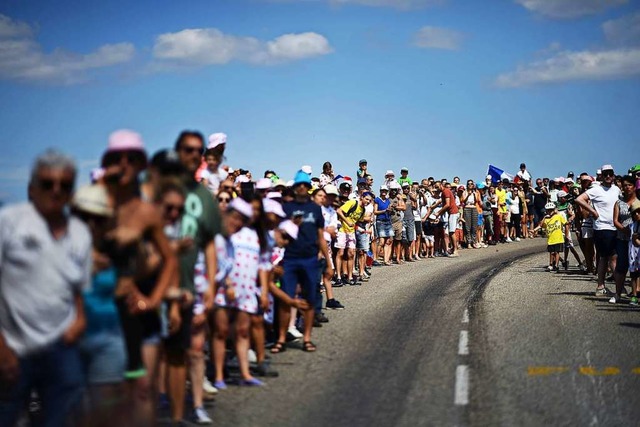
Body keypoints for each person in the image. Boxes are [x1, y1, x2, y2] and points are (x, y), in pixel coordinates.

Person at [0, 150, 91, 426]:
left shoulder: (78, 232)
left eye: (64, 185)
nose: (56, 191)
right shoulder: (8, 224)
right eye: (47, 184)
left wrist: (79, 320)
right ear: (31, 189)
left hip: (60, 347)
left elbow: (76, 287)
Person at [170, 130, 221, 424]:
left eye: (197, 150)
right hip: (164, 280)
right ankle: (168, 405)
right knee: (169, 352)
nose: (192, 155)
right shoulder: (162, 188)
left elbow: (211, 243)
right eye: (186, 150)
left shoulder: (204, 196)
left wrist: (212, 284)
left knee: (195, 347)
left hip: (197, 277)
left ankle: (197, 404)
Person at [72, 185, 128, 427]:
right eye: (84, 217)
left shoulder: (116, 249)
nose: (91, 223)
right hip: (68, 341)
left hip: (108, 340)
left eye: (98, 218)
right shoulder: (58, 247)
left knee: (103, 414)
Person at [273, 170, 332, 354]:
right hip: (290, 258)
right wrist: (291, 227)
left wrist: (329, 263)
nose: (301, 188)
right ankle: (281, 339)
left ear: (308, 188)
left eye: (305, 185)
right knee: (286, 300)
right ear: (294, 187)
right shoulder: (286, 208)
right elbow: (278, 235)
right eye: (298, 185)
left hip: (310, 259)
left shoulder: (315, 208)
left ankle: (307, 339)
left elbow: (320, 236)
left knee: (309, 300)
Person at [576, 164, 621, 296]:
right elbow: (579, 199)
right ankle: (619, 288)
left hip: (614, 227)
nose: (608, 176)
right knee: (613, 257)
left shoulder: (616, 189)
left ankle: (600, 286)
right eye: (605, 174)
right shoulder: (596, 190)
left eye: (610, 174)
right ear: (601, 175)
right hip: (602, 227)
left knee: (603, 258)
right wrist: (592, 211)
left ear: (613, 175)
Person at [610, 176, 638, 304]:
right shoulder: (619, 202)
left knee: (636, 267)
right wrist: (626, 230)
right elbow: (615, 220)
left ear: (634, 186)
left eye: (629, 185)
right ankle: (618, 293)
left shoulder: (638, 202)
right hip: (622, 237)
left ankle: (635, 294)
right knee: (621, 266)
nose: (627, 187)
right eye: (625, 185)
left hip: (637, 239)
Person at [534, 202, 568, 271]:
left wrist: (566, 234)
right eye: (548, 210)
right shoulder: (546, 219)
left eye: (551, 210)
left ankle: (555, 265)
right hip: (551, 238)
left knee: (556, 252)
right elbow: (541, 225)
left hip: (558, 237)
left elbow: (566, 223)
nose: (550, 212)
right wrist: (534, 230)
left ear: (554, 210)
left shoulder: (558, 216)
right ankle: (562, 262)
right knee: (552, 252)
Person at [627, 201, 640, 305]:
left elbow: (636, 242)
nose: (637, 214)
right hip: (633, 255)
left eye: (639, 212)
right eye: (634, 213)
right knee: (633, 275)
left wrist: (637, 241)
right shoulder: (631, 226)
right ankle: (634, 295)